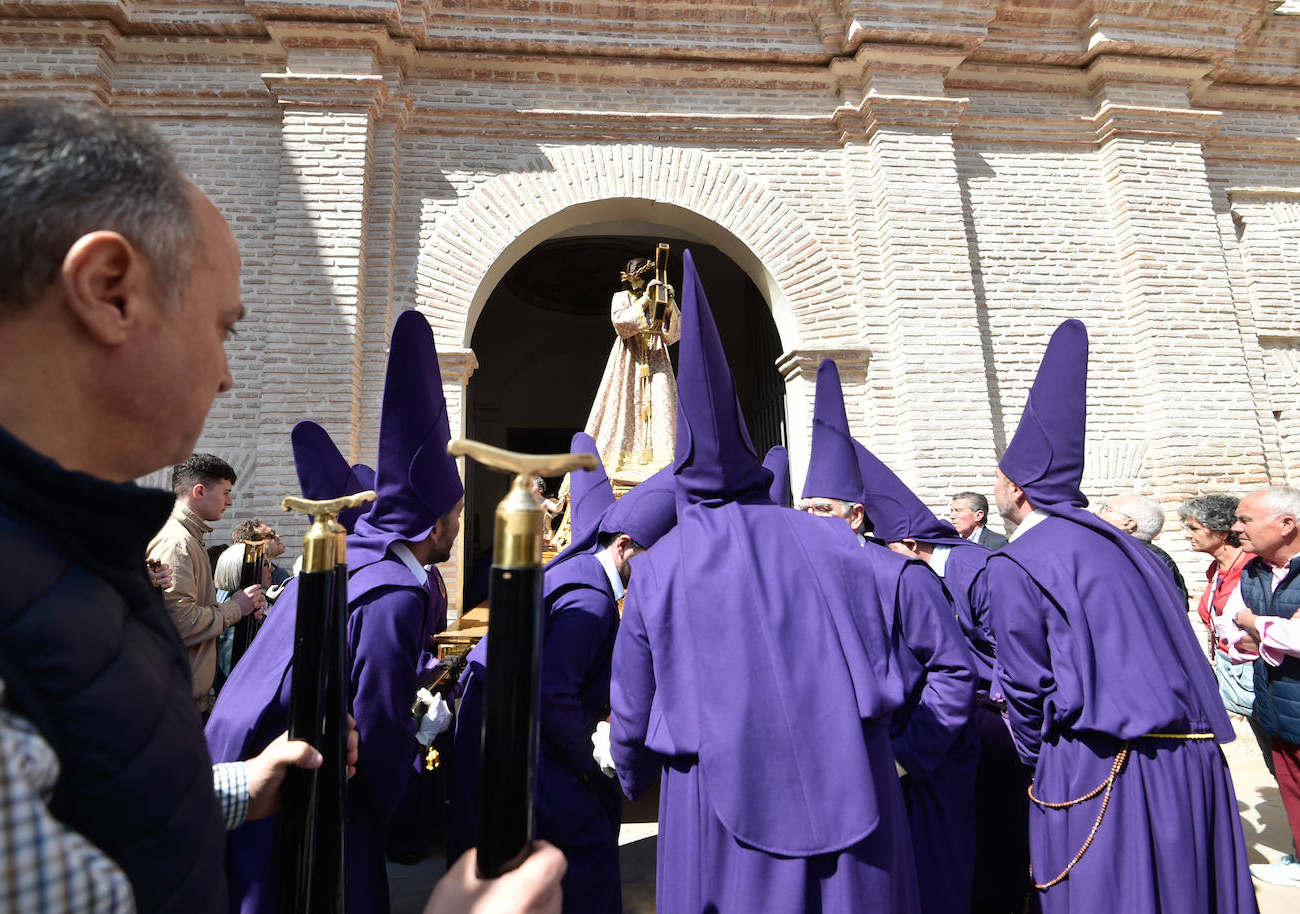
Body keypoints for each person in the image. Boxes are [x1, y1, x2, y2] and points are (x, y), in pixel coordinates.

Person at [0, 99, 343, 913]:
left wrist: (226, 789)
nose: (227, 374)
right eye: (223, 327)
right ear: (110, 292)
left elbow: (75, 797)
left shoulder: (54, 538)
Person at [610, 250, 921, 913]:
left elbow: (631, 708)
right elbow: (892, 664)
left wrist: (630, 780)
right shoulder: (839, 543)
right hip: (856, 780)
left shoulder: (659, 567)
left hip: (716, 802)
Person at [986, 319, 1256, 913]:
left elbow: (1028, 686)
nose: (996, 489)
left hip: (1100, 763)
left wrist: (1039, 760)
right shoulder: (1136, 548)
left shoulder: (1017, 562)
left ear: (1019, 490)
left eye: (1000, 479)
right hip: (1195, 761)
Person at [207, 309, 464, 914]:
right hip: (288, 770)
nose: (457, 527)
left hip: (234, 746)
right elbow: (375, 718)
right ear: (431, 525)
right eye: (454, 517)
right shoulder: (396, 593)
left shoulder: (344, 565)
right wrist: (392, 802)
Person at [452, 457, 677, 914]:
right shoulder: (591, 601)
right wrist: (594, 765)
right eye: (655, 556)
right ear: (625, 546)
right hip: (532, 745)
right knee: (589, 841)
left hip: (516, 734)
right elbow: (554, 696)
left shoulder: (583, 576)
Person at [799, 359, 977, 914]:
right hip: (834, 771)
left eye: (822, 510)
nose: (810, 521)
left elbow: (952, 671)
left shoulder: (903, 576)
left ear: (854, 516)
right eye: (803, 511)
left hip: (909, 769)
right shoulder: (797, 576)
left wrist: (905, 756)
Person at [853, 441, 1032, 914]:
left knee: (999, 822)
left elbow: (1015, 649)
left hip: (1000, 715)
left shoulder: (979, 568)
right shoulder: (928, 570)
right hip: (968, 709)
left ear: (910, 544)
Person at [1214, 486, 1300, 888]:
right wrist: (1275, 631)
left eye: (1245, 519)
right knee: (1293, 793)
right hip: (1278, 708)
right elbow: (1234, 635)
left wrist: (1257, 625)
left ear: (1286, 524)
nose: (1235, 528)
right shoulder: (1254, 570)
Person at [148, 452, 265, 710]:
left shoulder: (189, 538)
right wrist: (236, 608)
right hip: (172, 702)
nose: (230, 501)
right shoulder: (177, 542)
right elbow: (180, 621)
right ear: (199, 491)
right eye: (225, 492)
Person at [583, 255, 682, 487]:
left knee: (663, 406)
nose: (640, 283)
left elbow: (674, 335)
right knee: (623, 407)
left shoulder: (659, 298)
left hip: (657, 358)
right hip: (629, 359)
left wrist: (670, 304)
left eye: (644, 279)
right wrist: (645, 300)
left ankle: (663, 465)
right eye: (637, 279)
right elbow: (621, 325)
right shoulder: (621, 297)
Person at [1179, 494, 1257, 719]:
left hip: (1256, 672)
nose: (1187, 535)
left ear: (1222, 532)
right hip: (1232, 672)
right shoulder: (1216, 568)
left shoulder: (1252, 567)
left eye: (1194, 528)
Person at [1098, 492, 1190, 609]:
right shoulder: (1156, 558)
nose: (1097, 513)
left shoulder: (1125, 556)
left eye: (1107, 509)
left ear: (1128, 522)